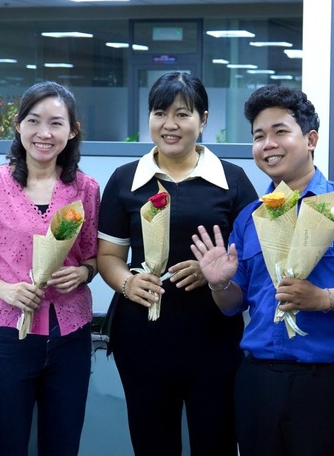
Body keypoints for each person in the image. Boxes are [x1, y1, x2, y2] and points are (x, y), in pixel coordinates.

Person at [191, 84, 334, 456]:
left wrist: (321, 298)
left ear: (311, 139)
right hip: (258, 382)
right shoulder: (250, 217)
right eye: (258, 136)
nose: (268, 144)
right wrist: (218, 285)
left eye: (280, 132)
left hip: (324, 382)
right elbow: (233, 306)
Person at [97, 71, 258, 456]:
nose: (169, 124)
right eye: (160, 113)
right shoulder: (125, 180)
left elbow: (253, 259)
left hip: (214, 337)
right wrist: (127, 283)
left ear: (203, 120)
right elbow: (108, 256)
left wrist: (212, 273)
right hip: (143, 338)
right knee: (152, 444)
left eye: (182, 114)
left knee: (216, 443)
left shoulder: (232, 181)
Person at [0, 81, 100, 456]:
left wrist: (83, 273)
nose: (44, 133)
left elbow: (94, 255)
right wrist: (6, 289)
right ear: (18, 125)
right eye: (33, 121)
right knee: (8, 445)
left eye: (55, 123)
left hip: (70, 336)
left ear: (72, 131)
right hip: (9, 336)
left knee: (63, 446)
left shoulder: (86, 189)